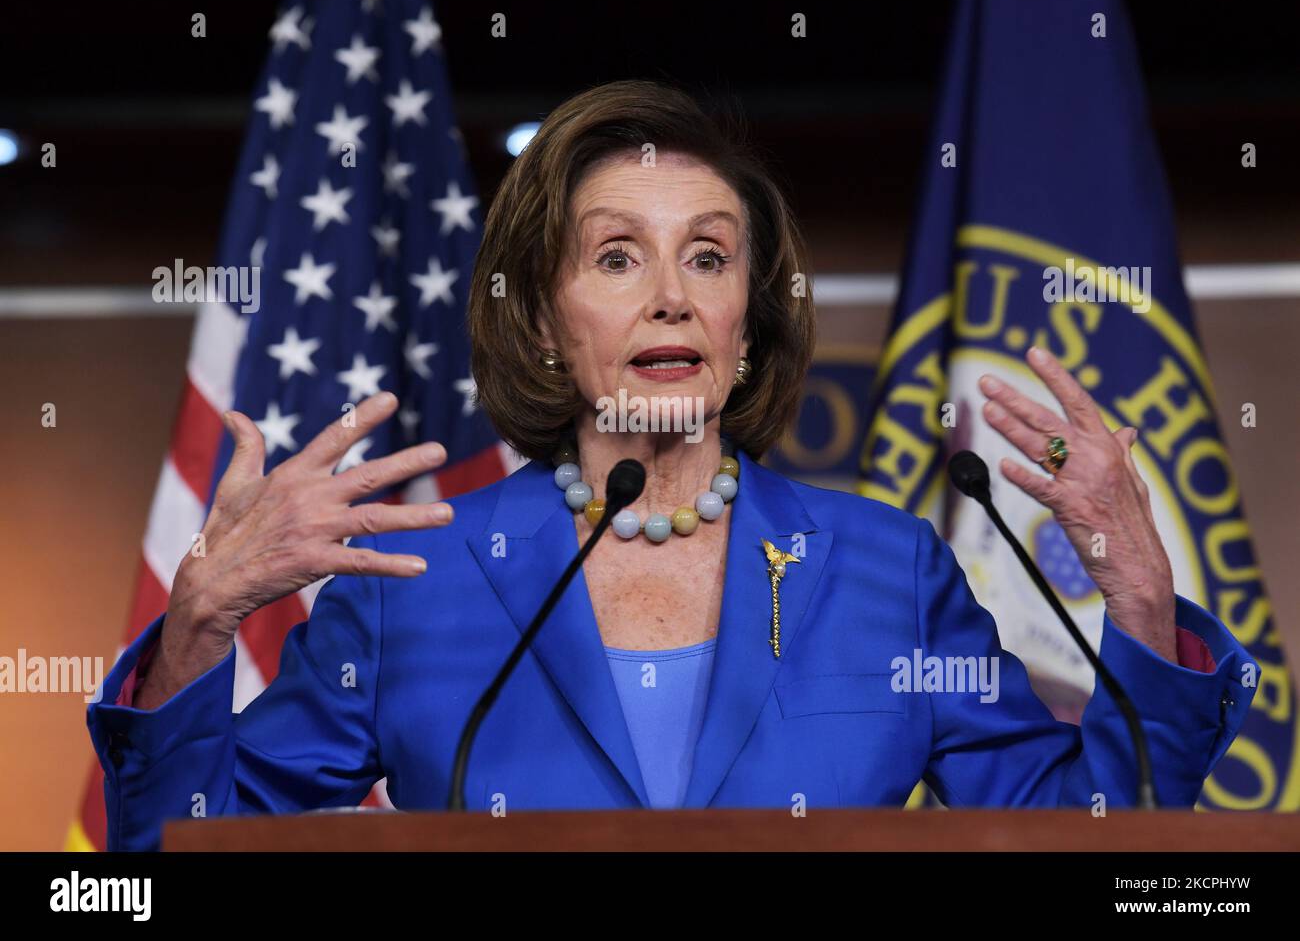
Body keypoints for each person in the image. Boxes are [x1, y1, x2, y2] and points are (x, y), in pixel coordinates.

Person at [88, 81, 1253, 851]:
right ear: (544, 320)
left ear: (744, 327)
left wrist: (1142, 598)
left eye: (707, 255)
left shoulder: (887, 572)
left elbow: (1096, 839)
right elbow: (180, 859)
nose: (669, 294)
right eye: (614, 256)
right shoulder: (416, 583)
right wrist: (197, 624)